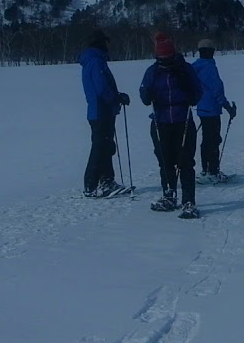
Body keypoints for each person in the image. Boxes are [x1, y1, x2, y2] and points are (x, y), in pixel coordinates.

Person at [139, 32, 203, 218]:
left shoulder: (185, 69)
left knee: (185, 162)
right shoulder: (152, 71)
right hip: (161, 122)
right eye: (162, 57)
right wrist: (148, 94)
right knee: (165, 162)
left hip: (183, 120)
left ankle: (188, 200)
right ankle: (169, 195)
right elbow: (144, 95)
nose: (166, 60)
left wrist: (191, 97)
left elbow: (198, 91)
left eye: (168, 57)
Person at [79, 29, 131, 197]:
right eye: (105, 42)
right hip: (101, 111)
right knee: (100, 147)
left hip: (99, 110)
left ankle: (106, 181)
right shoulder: (95, 62)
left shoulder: (93, 60)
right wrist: (116, 98)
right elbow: (102, 88)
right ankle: (91, 185)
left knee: (105, 146)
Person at [192, 38, 237, 183]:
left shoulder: (194, 67)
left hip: (201, 108)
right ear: (211, 52)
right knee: (213, 140)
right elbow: (217, 89)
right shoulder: (210, 67)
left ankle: (206, 169)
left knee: (206, 140)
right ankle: (212, 171)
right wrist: (227, 106)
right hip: (212, 109)